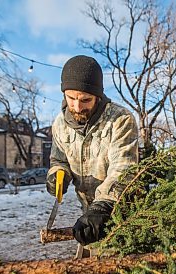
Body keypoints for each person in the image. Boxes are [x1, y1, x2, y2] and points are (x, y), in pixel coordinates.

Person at [46, 55, 139, 245]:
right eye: (71, 98)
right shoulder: (59, 124)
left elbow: (124, 167)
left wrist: (103, 205)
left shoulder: (120, 120)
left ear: (97, 95)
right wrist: (57, 174)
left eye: (85, 100)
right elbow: (59, 160)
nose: (77, 107)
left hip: (121, 212)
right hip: (87, 215)